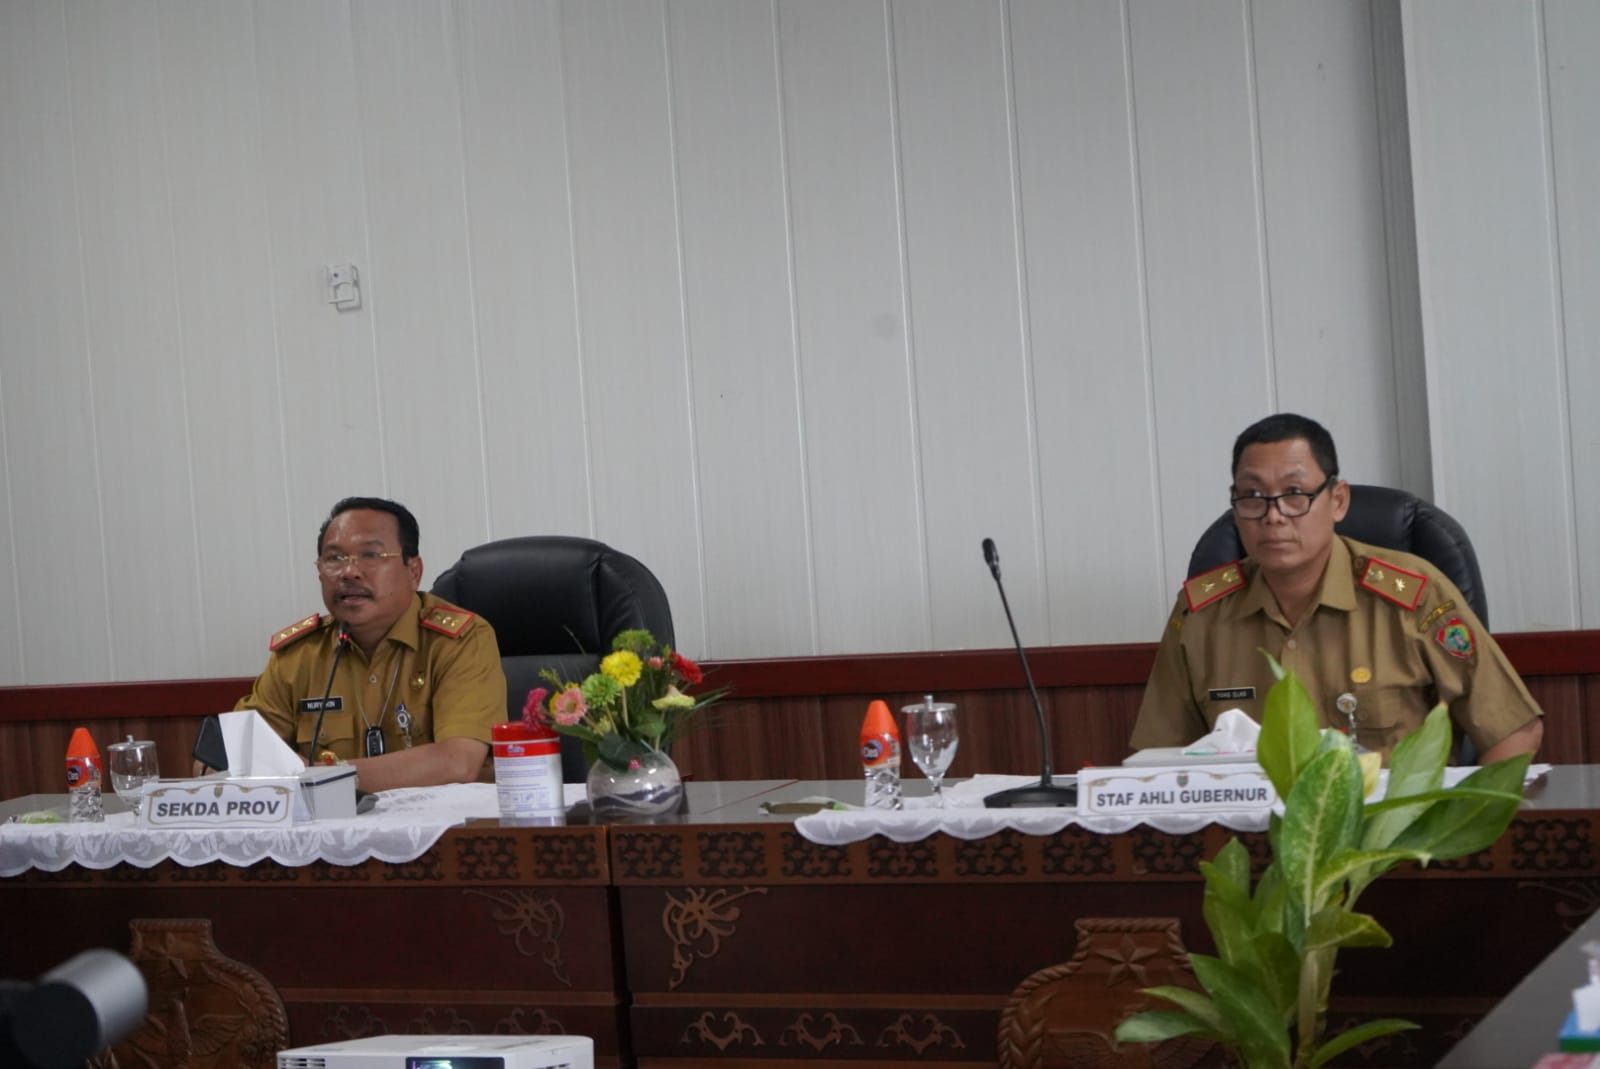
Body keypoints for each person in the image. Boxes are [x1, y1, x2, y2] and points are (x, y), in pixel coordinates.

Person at [1130, 413, 1543, 764]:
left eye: (1294, 495)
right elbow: (1160, 757)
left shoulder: (1414, 596)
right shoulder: (1201, 612)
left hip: (1388, 843)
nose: (1273, 516)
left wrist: (1454, 834)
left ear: (1338, 501)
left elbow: (1514, 731)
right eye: (1252, 496)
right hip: (1255, 847)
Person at [234, 497, 507, 791]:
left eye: (371, 555)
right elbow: (231, 755)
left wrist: (312, 777)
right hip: (330, 831)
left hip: (443, 831)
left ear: (413, 571)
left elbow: (457, 762)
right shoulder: (299, 654)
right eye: (334, 558)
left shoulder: (461, 641)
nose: (349, 572)